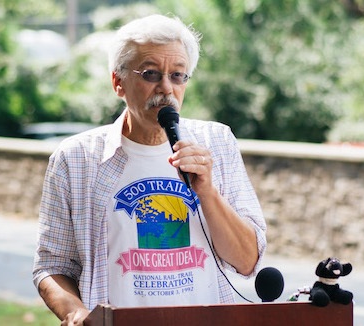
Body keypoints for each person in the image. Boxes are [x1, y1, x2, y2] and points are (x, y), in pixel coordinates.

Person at [32, 14, 267, 325]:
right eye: (151, 74)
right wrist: (77, 314)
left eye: (178, 75)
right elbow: (52, 266)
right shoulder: (75, 158)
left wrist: (207, 192)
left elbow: (248, 260)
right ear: (118, 83)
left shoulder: (217, 143)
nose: (166, 88)